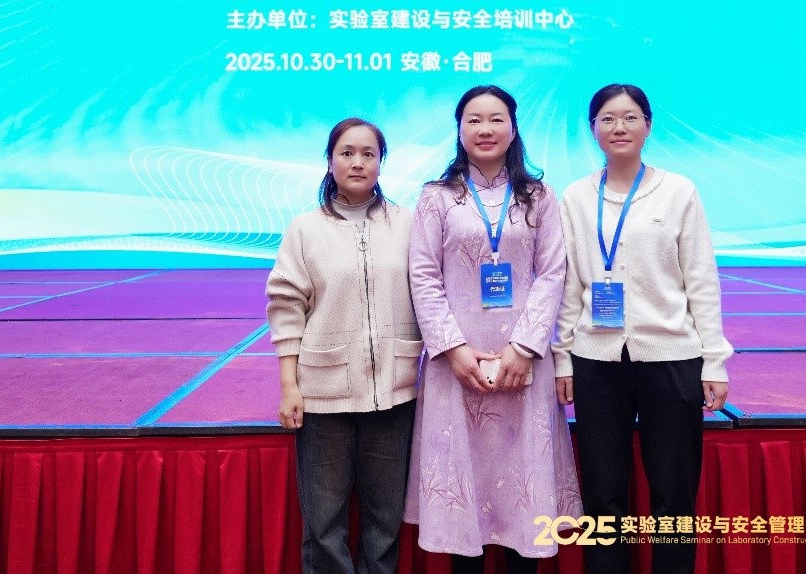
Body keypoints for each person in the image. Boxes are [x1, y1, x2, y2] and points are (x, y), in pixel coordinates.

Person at [553, 83, 732, 574]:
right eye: (608, 119)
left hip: (671, 358)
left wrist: (714, 362)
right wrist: (562, 357)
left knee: (674, 494)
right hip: (596, 362)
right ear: (593, 129)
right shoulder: (575, 196)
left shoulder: (678, 191)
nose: (619, 127)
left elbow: (701, 279)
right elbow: (569, 283)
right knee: (603, 494)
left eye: (630, 117)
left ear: (648, 126)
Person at [404, 85, 581, 574]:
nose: (486, 129)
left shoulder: (539, 197)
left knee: (525, 496)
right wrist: (453, 349)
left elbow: (553, 274)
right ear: (460, 130)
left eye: (496, 119)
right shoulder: (437, 197)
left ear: (514, 128)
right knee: (466, 508)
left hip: (524, 365)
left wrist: (523, 348)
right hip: (455, 367)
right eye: (474, 120)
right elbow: (423, 275)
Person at [265, 117, 422, 574]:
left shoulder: (409, 224)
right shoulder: (305, 229)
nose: (358, 162)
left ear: (381, 162)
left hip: (394, 393)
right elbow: (286, 306)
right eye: (347, 153)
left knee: (384, 525)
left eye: (368, 154)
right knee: (323, 526)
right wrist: (289, 385)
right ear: (330, 161)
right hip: (324, 397)